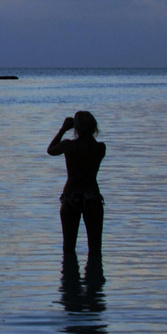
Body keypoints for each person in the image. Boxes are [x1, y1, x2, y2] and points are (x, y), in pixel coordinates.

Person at [48, 110, 105, 256]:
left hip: (71, 198)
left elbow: (50, 150)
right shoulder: (100, 148)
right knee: (95, 248)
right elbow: (88, 144)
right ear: (94, 127)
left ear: (76, 128)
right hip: (92, 197)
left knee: (68, 247)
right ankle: (94, 277)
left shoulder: (68, 146)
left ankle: (70, 277)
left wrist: (63, 129)